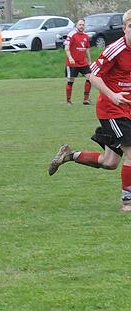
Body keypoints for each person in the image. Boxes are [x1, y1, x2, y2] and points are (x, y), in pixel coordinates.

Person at [48, 10, 131, 212]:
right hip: (112, 110)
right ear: (124, 29)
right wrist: (112, 95)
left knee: (109, 162)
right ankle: (127, 202)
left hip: (127, 109)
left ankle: (69, 155)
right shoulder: (116, 49)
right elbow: (92, 74)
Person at [64, 19, 92, 106]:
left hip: (83, 63)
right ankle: (68, 101)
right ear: (76, 25)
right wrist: (70, 57)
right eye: (80, 24)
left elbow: (87, 49)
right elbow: (66, 47)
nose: (81, 26)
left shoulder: (86, 36)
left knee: (90, 78)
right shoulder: (72, 34)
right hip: (73, 63)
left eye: (83, 25)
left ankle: (86, 99)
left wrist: (89, 60)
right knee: (70, 81)